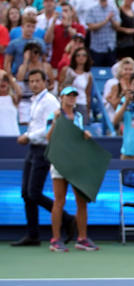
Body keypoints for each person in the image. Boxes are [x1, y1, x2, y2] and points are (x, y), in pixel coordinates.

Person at [12, 69, 75, 247]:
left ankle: (67, 218)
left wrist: (29, 136)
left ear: (45, 82)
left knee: (34, 192)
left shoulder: (50, 101)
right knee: (26, 193)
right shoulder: (35, 101)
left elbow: (51, 127)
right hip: (33, 148)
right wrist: (29, 136)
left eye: (37, 81)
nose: (34, 84)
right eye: (31, 81)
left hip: (44, 149)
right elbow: (37, 125)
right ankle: (33, 235)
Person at [46, 86, 98, 252]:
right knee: (59, 200)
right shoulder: (54, 115)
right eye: (68, 95)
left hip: (76, 162)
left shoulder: (79, 116)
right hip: (60, 161)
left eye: (74, 96)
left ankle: (82, 239)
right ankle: (55, 239)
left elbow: (77, 137)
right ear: (61, 97)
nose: (71, 98)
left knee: (81, 201)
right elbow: (48, 137)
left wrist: (85, 135)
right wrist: (55, 121)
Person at [85, 0, 120, 66]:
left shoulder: (113, 9)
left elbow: (117, 26)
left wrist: (111, 20)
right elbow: (91, 27)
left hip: (110, 46)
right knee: (96, 70)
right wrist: (106, 21)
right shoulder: (91, 9)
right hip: (97, 47)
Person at [0, 69, 21, 136]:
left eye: (5, 80)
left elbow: (20, 93)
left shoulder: (13, 98)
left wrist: (8, 75)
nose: (2, 82)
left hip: (13, 135)